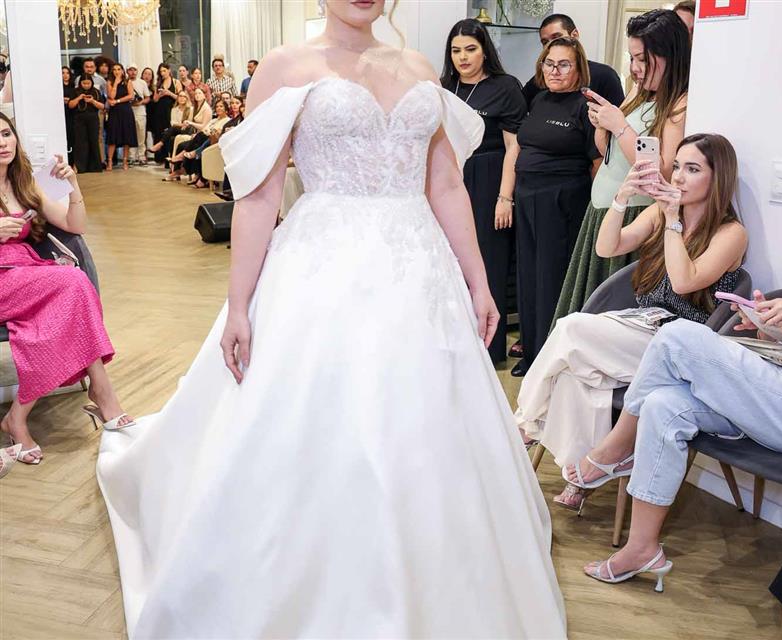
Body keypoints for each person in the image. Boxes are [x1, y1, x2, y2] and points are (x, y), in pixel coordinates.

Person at [96, 0, 567, 636]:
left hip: (418, 270)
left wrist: (479, 282)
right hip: (323, 265)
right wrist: (239, 305)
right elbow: (259, 194)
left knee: (426, 420)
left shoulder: (418, 66)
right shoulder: (285, 66)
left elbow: (446, 185)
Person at [515, 133, 748, 507]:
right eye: (677, 166)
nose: (678, 177)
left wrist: (672, 221)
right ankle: (583, 475)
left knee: (570, 328)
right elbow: (607, 247)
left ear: (717, 177)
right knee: (577, 374)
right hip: (640, 324)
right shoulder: (660, 211)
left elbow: (684, 281)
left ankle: (525, 425)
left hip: (677, 346)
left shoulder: (731, 233)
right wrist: (621, 198)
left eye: (692, 169)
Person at [582, 268, 782, 590]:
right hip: (781, 381)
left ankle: (616, 448)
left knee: (676, 336)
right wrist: (766, 326)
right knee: (662, 405)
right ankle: (642, 548)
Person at [0, 115, 134, 466]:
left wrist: (73, 184)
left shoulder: (24, 184)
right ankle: (102, 392)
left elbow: (76, 225)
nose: (2, 143)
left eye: (6, 133)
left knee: (57, 313)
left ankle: (17, 418)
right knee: (73, 282)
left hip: (27, 274)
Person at [552, 9, 691, 322]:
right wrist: (604, 127)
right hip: (605, 209)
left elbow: (663, 171)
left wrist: (620, 126)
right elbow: (612, 156)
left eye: (643, 59)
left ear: (670, 55)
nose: (636, 68)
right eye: (632, 58)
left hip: (634, 215)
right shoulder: (638, 92)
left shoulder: (679, 104)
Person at [510, 37, 601, 378]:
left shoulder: (585, 106)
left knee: (551, 279)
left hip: (562, 200)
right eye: (549, 64)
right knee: (528, 276)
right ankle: (531, 352)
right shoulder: (538, 99)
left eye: (563, 65)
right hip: (527, 196)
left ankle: (550, 359)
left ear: (578, 69)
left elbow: (597, 164)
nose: (555, 71)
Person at [441, 18, 527, 364]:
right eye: (456, 50)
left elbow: (514, 147)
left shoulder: (505, 86)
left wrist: (505, 197)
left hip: (490, 177)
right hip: (449, 178)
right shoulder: (444, 87)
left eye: (470, 49)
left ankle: (488, 351)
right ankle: (455, 347)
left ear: (485, 51)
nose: (463, 57)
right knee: (449, 261)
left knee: (488, 263)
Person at [522, 14, 624, 109]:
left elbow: (619, 116)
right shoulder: (542, 78)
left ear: (574, 35)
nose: (551, 44)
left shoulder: (604, 75)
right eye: (545, 42)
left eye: (557, 37)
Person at [183, 96, 244, 188]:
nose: (234, 105)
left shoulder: (240, 119)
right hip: (219, 141)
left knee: (202, 140)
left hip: (229, 144)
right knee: (199, 140)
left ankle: (198, 170)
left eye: (237, 103)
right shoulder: (227, 120)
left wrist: (230, 130)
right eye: (232, 103)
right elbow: (212, 131)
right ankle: (198, 174)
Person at [147, 90, 193, 170]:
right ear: (177, 98)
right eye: (180, 96)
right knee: (171, 139)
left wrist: (180, 125)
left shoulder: (190, 109)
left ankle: (159, 144)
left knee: (171, 130)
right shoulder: (174, 109)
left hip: (188, 130)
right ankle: (172, 165)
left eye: (184, 96)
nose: (182, 98)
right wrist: (181, 124)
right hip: (176, 130)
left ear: (187, 98)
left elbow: (189, 123)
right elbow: (172, 123)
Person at [68, 74, 105, 173]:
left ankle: (95, 166)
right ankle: (80, 167)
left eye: (88, 83)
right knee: (80, 142)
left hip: (93, 119)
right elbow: (70, 105)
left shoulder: (96, 92)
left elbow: (102, 106)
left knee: (93, 141)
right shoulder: (75, 91)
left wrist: (92, 101)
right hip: (79, 119)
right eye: (84, 83)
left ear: (91, 83)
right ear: (80, 83)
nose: (86, 85)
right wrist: (79, 98)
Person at [104, 63, 138, 171]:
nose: (116, 71)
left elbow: (131, 96)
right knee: (113, 136)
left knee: (126, 136)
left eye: (119, 69)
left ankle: (125, 161)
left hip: (126, 110)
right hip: (114, 112)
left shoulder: (128, 81)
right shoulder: (109, 82)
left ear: (122, 71)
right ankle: (110, 161)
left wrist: (118, 101)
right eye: (114, 69)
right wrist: (116, 83)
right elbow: (111, 96)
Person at [76, 58, 107, 165]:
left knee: (99, 136)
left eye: (91, 67)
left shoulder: (101, 80)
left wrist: (104, 108)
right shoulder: (78, 79)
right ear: (83, 68)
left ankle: (101, 161)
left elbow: (105, 96)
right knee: (84, 138)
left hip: (97, 111)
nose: (89, 69)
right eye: (87, 67)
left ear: (95, 68)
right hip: (81, 112)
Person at [127, 65, 151, 166]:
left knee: (141, 135)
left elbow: (147, 98)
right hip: (128, 111)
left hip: (140, 112)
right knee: (130, 134)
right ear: (127, 71)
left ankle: (141, 156)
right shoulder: (125, 82)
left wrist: (140, 102)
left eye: (134, 70)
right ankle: (131, 157)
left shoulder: (142, 83)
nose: (133, 72)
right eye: (130, 70)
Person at [150, 63, 179, 146]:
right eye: (161, 71)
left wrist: (169, 93)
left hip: (171, 110)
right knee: (159, 132)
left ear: (169, 70)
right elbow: (155, 99)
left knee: (169, 131)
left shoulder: (176, 82)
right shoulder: (159, 83)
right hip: (159, 111)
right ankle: (158, 151)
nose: (162, 73)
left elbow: (180, 98)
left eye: (164, 71)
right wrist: (160, 95)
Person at [140, 67, 156, 155]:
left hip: (153, 113)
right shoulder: (139, 87)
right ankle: (143, 154)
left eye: (149, 74)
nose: (147, 76)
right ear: (142, 75)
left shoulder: (154, 88)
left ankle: (156, 153)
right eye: (145, 73)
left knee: (154, 134)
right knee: (143, 134)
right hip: (142, 112)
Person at [62, 66, 75, 167]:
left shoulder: (73, 87)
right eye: (63, 73)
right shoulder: (58, 87)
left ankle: (72, 162)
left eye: (67, 73)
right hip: (62, 113)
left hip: (72, 113)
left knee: (72, 137)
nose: (65, 75)